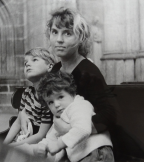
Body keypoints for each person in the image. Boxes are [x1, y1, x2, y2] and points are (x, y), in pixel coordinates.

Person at [20, 7, 117, 161]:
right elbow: (45, 100)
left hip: (94, 149)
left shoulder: (88, 71)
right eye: (54, 32)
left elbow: (111, 113)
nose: (59, 39)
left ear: (80, 38)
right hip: (72, 148)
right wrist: (23, 112)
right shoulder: (56, 69)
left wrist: (70, 129)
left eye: (67, 33)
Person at [31, 71, 113, 162]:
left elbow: (83, 129)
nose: (56, 104)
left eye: (60, 97)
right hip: (83, 156)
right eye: (50, 102)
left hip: (96, 151)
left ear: (72, 93)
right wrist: (42, 146)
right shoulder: (60, 118)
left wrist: (58, 144)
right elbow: (51, 137)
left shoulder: (79, 106)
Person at [3, 47, 56, 147]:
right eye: (25, 63)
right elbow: (19, 121)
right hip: (23, 136)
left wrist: (14, 146)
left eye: (34, 60)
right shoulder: (27, 93)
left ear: (49, 67)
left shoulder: (48, 96)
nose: (27, 64)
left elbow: (41, 135)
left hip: (37, 143)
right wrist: (4, 145)